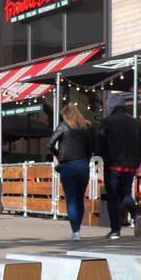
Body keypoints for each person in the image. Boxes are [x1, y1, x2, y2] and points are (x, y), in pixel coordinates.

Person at [99, 91, 141, 239]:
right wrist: (137, 162)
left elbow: (101, 142)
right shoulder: (135, 123)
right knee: (125, 193)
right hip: (130, 166)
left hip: (113, 165)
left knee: (113, 197)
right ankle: (135, 213)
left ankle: (115, 230)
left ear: (110, 107)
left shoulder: (107, 122)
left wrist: (102, 161)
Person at [48, 102, 97, 241]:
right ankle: (78, 229)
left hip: (67, 165)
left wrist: (58, 155)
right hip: (82, 164)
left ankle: (75, 232)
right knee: (80, 198)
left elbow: (49, 144)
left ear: (65, 114)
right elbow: (92, 146)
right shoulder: (87, 126)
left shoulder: (63, 125)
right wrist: (86, 159)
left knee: (71, 199)